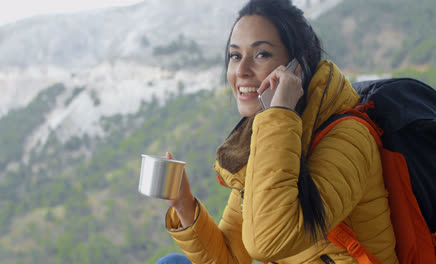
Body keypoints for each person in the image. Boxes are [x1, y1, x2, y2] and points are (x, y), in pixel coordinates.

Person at [157, 0, 399, 263]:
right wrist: (183, 203)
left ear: (299, 64)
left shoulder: (349, 138)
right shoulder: (265, 136)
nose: (241, 70)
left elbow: (267, 243)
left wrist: (280, 109)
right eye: (235, 55)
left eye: (261, 54)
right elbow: (232, 258)